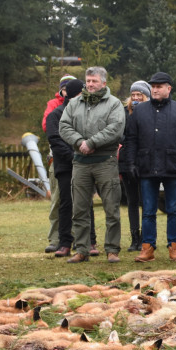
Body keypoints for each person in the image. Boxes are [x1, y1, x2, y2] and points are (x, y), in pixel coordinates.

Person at [122, 72, 176, 263]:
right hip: (146, 167)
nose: (155, 89)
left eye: (159, 86)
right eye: (153, 86)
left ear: (169, 88)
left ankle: (174, 246)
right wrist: (130, 163)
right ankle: (147, 247)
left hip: (171, 166)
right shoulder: (139, 111)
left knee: (173, 209)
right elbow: (131, 139)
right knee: (148, 210)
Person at [59, 66, 126, 263]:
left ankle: (112, 250)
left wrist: (93, 142)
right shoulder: (74, 104)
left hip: (105, 161)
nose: (90, 84)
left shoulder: (114, 104)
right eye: (88, 81)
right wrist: (80, 143)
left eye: (94, 81)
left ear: (104, 83)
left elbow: (115, 128)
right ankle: (81, 250)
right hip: (80, 163)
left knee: (111, 208)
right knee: (79, 209)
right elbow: (63, 126)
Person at [43, 74, 76, 254]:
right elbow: (47, 126)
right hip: (58, 159)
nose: (67, 91)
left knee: (79, 201)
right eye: (65, 88)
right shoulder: (54, 106)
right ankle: (55, 238)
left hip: (78, 161)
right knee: (58, 200)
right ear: (61, 90)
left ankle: (77, 238)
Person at [120, 80, 151, 252]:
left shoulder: (151, 112)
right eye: (133, 95)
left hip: (145, 163)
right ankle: (134, 237)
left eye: (139, 95)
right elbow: (120, 134)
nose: (136, 98)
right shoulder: (124, 113)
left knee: (146, 201)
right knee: (131, 201)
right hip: (126, 162)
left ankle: (146, 238)